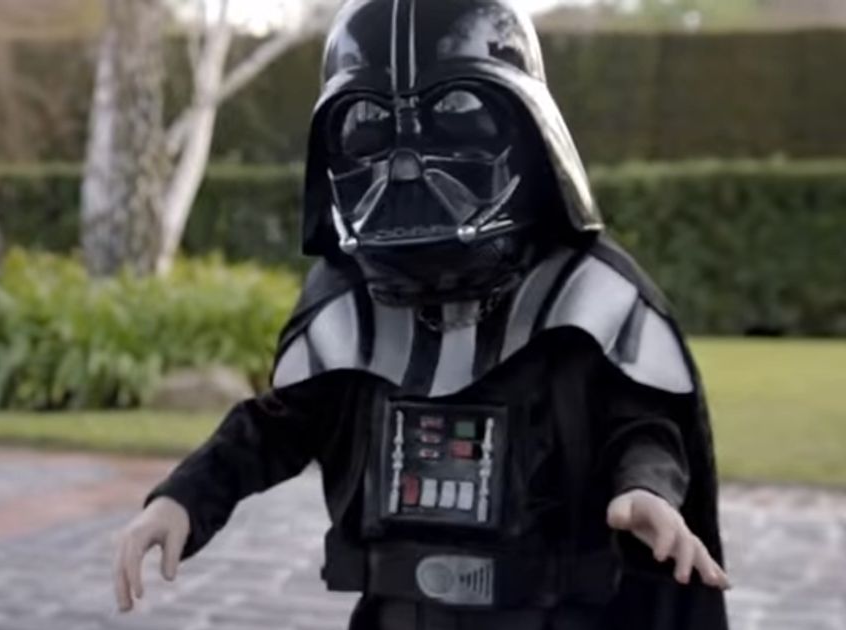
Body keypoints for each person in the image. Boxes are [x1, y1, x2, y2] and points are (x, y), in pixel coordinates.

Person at [112, 1, 731, 628]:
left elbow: (644, 425)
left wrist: (645, 490)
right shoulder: (345, 306)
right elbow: (277, 426)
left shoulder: (590, 298)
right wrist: (184, 500)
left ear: (528, 130)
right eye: (367, 125)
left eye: (458, 115)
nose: (407, 163)